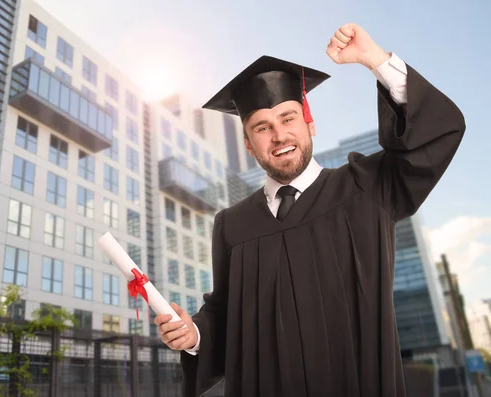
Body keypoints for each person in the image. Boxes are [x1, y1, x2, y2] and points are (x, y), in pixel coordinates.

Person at [154, 22, 466, 397]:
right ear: (249, 145)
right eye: (262, 128)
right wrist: (195, 335)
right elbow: (225, 314)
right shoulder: (231, 225)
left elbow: (437, 132)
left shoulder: (366, 187)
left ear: (310, 123)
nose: (279, 136)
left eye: (288, 118)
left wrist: (375, 60)